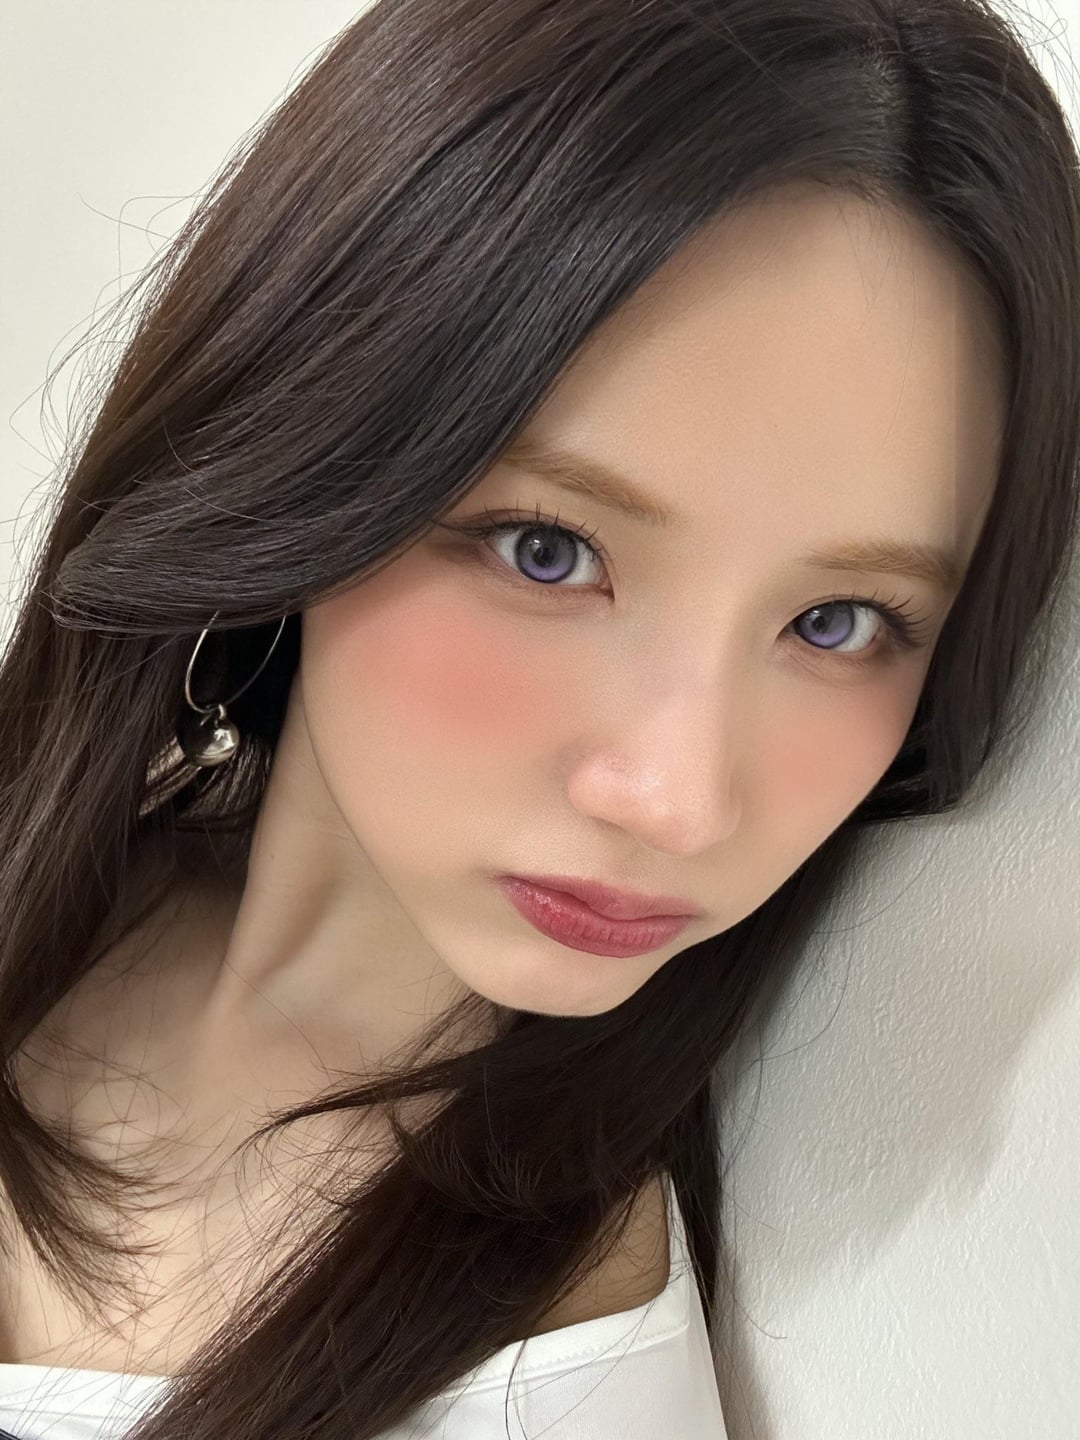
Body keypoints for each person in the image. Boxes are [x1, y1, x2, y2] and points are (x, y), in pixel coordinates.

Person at [0, 1, 1077, 1437]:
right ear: (302, 461)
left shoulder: (557, 1393)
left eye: (839, 623)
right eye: (548, 550)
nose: (678, 799)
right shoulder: (73, 886)